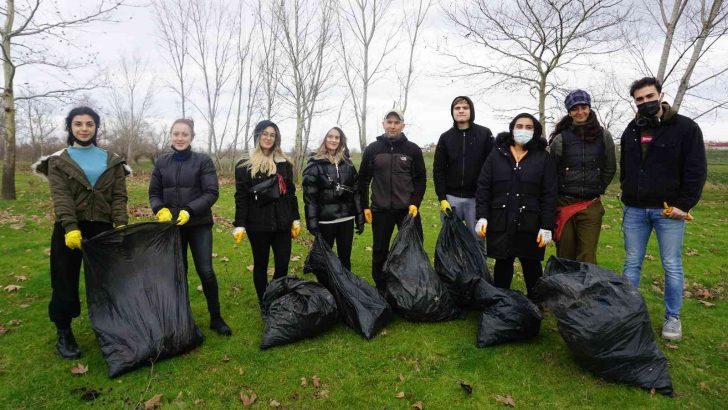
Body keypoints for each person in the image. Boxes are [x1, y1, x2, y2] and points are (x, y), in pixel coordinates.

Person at [33, 106, 129, 359]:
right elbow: (61, 197)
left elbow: (119, 196)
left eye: (89, 124)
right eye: (78, 124)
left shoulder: (112, 159)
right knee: (64, 280)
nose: (84, 128)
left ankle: (110, 328)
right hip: (69, 228)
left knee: (107, 282)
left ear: (97, 127)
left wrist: (120, 223)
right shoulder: (59, 160)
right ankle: (64, 332)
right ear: (70, 127)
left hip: (103, 227)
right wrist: (70, 227)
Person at [620, 77, 707, 341]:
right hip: (635, 210)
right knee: (632, 262)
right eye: (639, 99)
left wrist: (684, 204)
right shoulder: (631, 130)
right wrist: (627, 192)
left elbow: (696, 170)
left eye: (649, 96)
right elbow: (627, 166)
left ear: (660, 95)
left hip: (668, 211)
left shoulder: (685, 128)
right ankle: (628, 313)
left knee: (671, 264)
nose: (644, 102)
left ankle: (672, 317)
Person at [148, 118, 232, 336]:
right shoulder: (161, 162)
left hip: (198, 224)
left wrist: (190, 210)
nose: (180, 137)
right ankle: (183, 318)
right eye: (176, 133)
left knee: (206, 271)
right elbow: (154, 193)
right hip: (172, 227)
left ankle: (216, 317)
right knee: (178, 273)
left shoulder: (203, 161)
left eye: (184, 134)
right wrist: (159, 209)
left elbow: (211, 192)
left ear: (192, 137)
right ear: (170, 136)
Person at [475, 113, 557, 300]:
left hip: (530, 222)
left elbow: (549, 194)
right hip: (501, 220)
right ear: (512, 129)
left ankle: (536, 306)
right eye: (519, 126)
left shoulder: (543, 158)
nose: (523, 130)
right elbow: (484, 187)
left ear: (535, 131)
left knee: (532, 266)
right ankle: (500, 304)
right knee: (503, 264)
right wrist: (482, 216)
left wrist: (546, 226)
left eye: (529, 127)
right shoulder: (497, 154)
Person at [233, 120, 301, 308]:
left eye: (272, 135)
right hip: (258, 224)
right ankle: (264, 302)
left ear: (276, 138)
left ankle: (277, 298)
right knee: (261, 265)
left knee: (282, 264)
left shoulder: (284, 163)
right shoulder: (244, 165)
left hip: (282, 223)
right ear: (257, 136)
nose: (268, 138)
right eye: (265, 134)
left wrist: (296, 219)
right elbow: (241, 196)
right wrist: (240, 223)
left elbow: (291, 193)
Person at [359, 109, 426, 291]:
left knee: (413, 248)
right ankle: (381, 287)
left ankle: (413, 286)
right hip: (380, 210)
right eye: (389, 122)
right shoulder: (373, 149)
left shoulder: (412, 149)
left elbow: (420, 179)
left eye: (396, 123)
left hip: (407, 211)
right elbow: (363, 179)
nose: (393, 126)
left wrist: (415, 203)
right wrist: (365, 206)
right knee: (380, 250)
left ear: (403, 126)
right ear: (383, 124)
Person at [548, 90, 616, 264]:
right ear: (569, 112)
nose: (580, 112)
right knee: (565, 254)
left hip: (590, 205)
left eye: (583, 107)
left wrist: (598, 188)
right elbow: (551, 172)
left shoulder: (604, 136)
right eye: (575, 108)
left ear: (589, 108)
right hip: (564, 204)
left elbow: (610, 167)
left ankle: (586, 290)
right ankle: (564, 290)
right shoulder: (560, 139)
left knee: (587, 256)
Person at [302, 127, 365, 270]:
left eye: (337, 137)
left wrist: (359, 216)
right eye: (330, 136)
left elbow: (356, 192)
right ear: (324, 139)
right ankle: (325, 290)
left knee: (345, 259)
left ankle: (345, 289)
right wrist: (312, 223)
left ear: (341, 141)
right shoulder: (314, 164)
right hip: (325, 221)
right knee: (324, 261)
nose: (333, 140)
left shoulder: (348, 164)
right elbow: (309, 198)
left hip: (346, 220)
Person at [433, 96, 494, 233]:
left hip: (477, 199)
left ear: (471, 110)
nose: (461, 111)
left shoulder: (485, 134)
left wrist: (488, 195)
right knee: (452, 241)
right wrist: (442, 198)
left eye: (465, 108)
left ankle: (476, 256)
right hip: (451, 198)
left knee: (477, 241)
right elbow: (439, 170)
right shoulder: (445, 137)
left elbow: (492, 167)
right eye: (457, 108)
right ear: (452, 112)